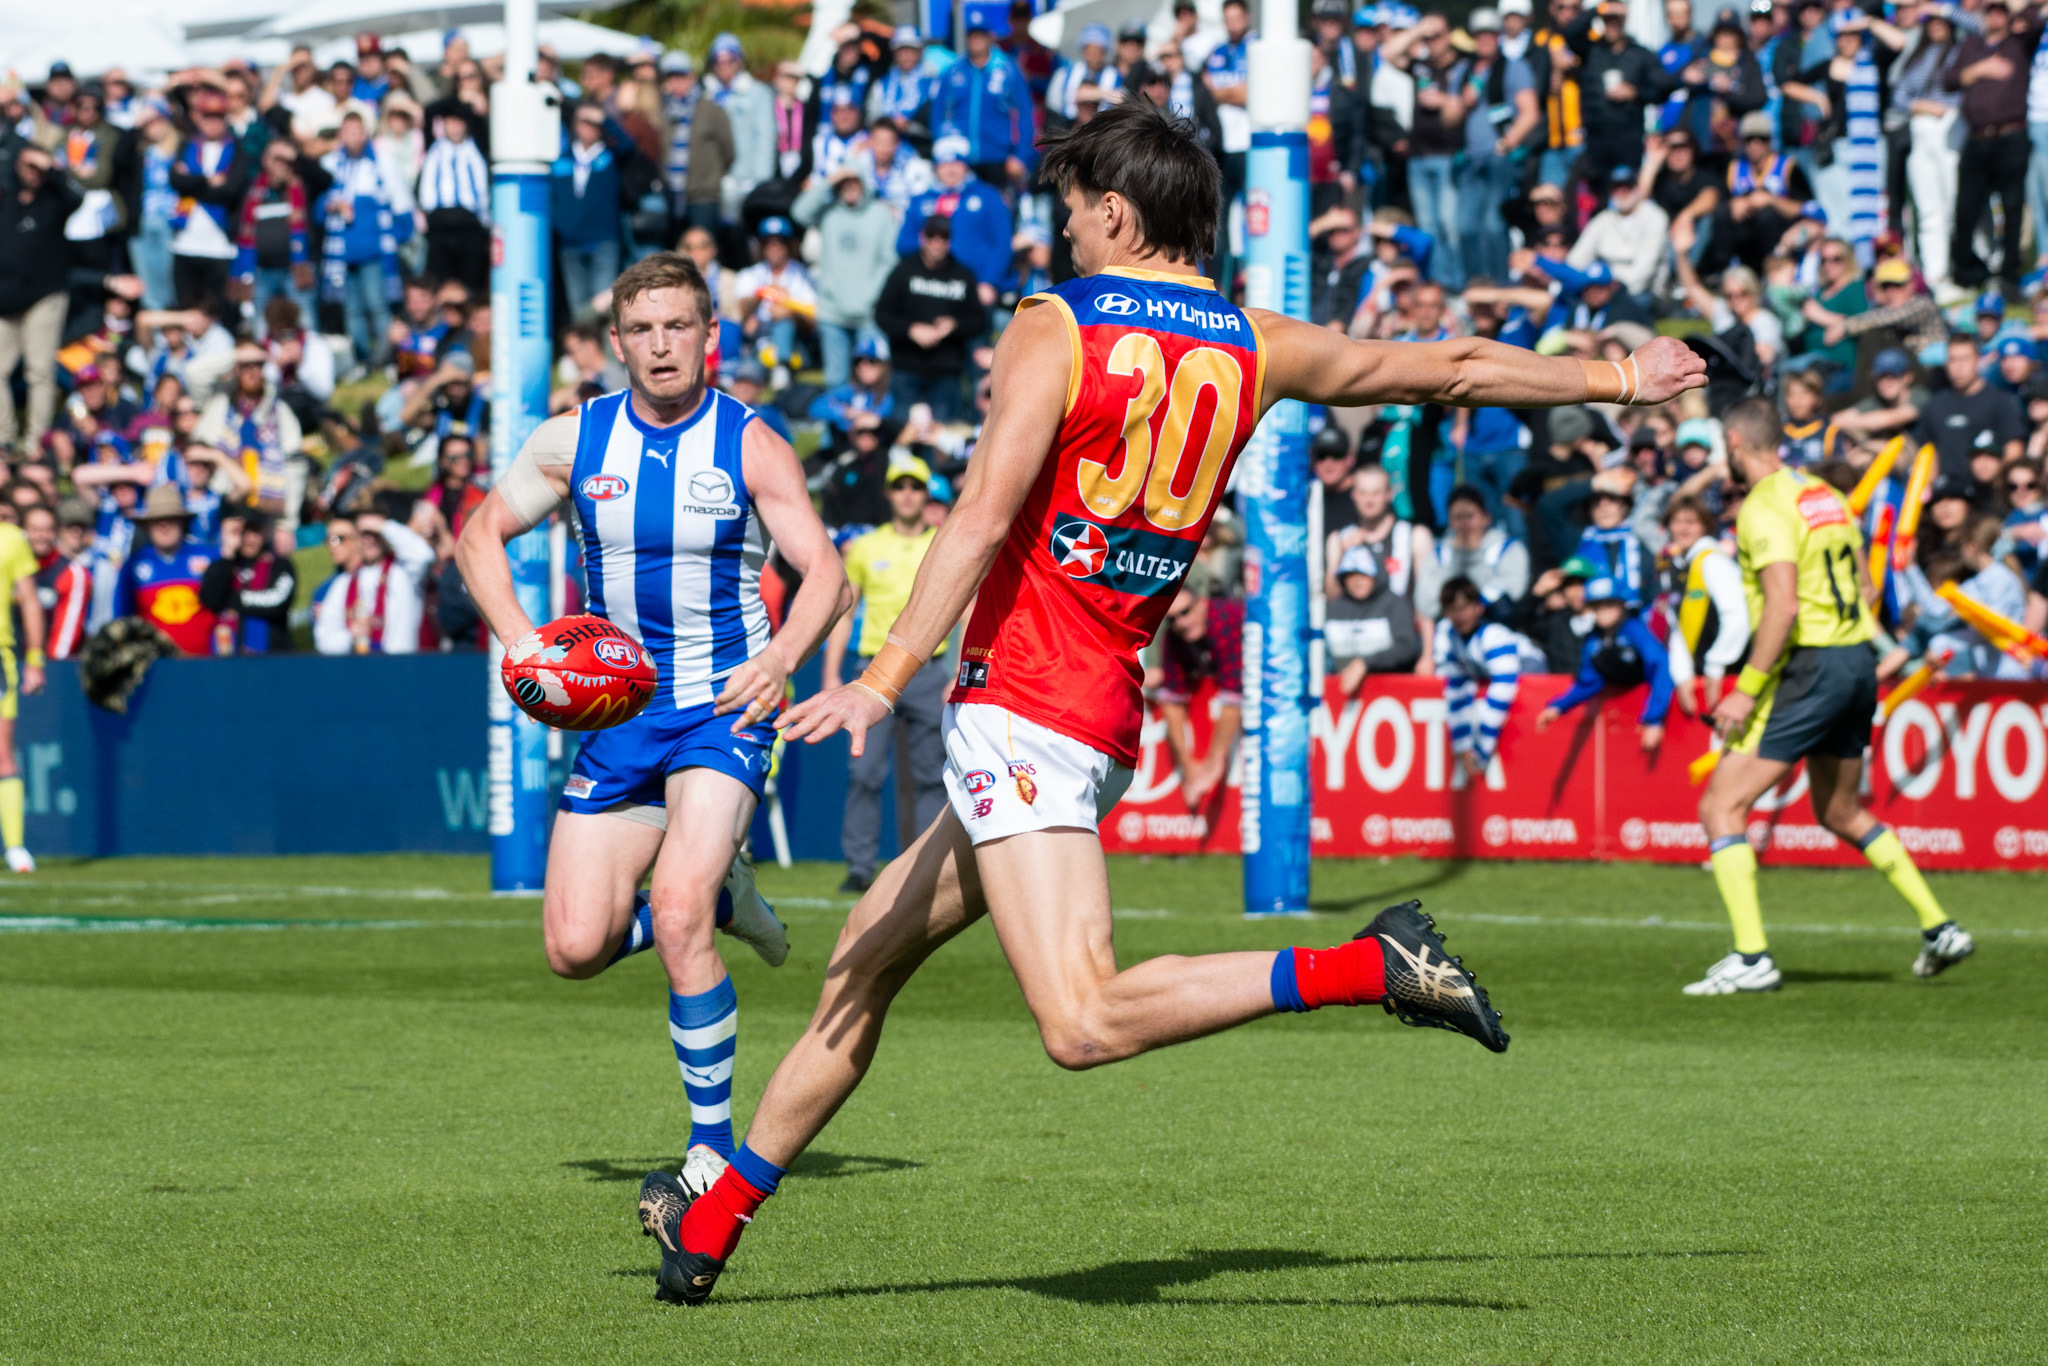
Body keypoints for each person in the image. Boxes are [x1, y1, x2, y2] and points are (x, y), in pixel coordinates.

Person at [650, 99, 1704, 1304]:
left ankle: (1368, 965)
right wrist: (1617, 377)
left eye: (1067, 210)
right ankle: (713, 1215)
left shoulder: (1053, 326)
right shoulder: (1258, 340)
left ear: (1113, 211)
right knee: (863, 956)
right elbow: (1452, 367)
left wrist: (884, 676)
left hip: (1025, 705)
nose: (1058, 233)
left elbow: (981, 515)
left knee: (1080, 1020)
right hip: (1092, 701)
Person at [453, 252, 849, 1208]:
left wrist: (781, 655)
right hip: (622, 715)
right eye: (643, 330)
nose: (662, 345)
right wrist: (525, 649)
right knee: (575, 948)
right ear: (618, 343)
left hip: (725, 707)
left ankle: (710, 1153)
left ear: (710, 335)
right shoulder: (573, 439)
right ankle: (724, 900)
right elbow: (475, 537)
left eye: (680, 326)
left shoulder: (751, 443)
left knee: (670, 907)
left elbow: (828, 574)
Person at [1688, 397, 1975, 996]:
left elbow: (1785, 606)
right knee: (1840, 811)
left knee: (1721, 805)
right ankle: (1938, 926)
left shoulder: (1764, 505)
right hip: (1855, 664)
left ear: (1735, 443)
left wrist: (1745, 690)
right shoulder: (1826, 496)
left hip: (1813, 665)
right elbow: (1868, 588)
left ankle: (1751, 956)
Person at [822, 453, 949, 894]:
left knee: (932, 774)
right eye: (901, 486)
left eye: (916, 486)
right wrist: (831, 671)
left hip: (932, 669)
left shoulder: (945, 544)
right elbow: (844, 611)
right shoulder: (866, 546)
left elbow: (967, 608)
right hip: (873, 669)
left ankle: (926, 869)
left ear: (925, 494)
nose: (909, 494)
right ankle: (860, 866)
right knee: (864, 772)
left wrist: (957, 670)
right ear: (890, 493)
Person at [0, 145, 80, 453]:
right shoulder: (7, 201)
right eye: (27, 165)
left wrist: (53, 168)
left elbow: (77, 195)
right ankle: (4, 438)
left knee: (39, 371)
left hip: (42, 297)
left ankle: (36, 442)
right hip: (5, 302)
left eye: (37, 167)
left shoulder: (55, 202)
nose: (32, 172)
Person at [875, 216, 986, 423]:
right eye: (931, 236)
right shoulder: (904, 271)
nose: (937, 243)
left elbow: (978, 321)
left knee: (942, 442)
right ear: (922, 238)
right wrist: (911, 330)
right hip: (906, 369)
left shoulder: (962, 274)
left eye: (943, 237)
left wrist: (954, 325)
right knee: (902, 435)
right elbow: (882, 315)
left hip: (946, 373)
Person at [1152, 564, 1244, 810]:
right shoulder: (1174, 636)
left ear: (1203, 603)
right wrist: (1188, 765)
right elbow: (1171, 700)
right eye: (1173, 618)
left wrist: (1213, 763)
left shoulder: (1227, 620)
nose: (1181, 622)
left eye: (1186, 612)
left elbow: (1234, 698)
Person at [1434, 574, 1542, 782]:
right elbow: (1456, 691)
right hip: (1510, 698)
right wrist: (1463, 746)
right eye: (1452, 610)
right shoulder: (1451, 638)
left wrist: (1480, 750)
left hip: (1536, 687)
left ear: (1478, 608)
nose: (1459, 616)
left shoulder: (1494, 636)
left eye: (1464, 607)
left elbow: (1502, 691)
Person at [1658, 492, 1749, 709]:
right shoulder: (1673, 567)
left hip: (1731, 675)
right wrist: (1682, 675)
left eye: (1691, 522)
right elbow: (1677, 627)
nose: (1683, 529)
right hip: (1703, 675)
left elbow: (1738, 617)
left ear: (1705, 526)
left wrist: (1715, 665)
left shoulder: (1713, 561)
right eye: (1677, 521)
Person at [112, 483, 218, 657]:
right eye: (157, 520)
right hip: (154, 671)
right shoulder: (133, 565)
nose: (164, 525)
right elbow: (122, 620)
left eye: (171, 518)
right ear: (147, 525)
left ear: (183, 521)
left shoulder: (211, 558)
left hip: (206, 667)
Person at [0, 504, 45, 873]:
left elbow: (29, 600)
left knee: (2, 751)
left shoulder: (11, 539)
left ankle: (15, 847)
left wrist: (35, 657)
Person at [416, 107, 491, 294]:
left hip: (469, 224)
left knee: (471, 284)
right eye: (450, 122)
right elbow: (431, 109)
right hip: (440, 224)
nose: (455, 128)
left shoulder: (476, 146)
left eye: (459, 122)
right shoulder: (434, 147)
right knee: (438, 283)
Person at [199, 509, 295, 653]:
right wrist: (229, 552)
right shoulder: (222, 565)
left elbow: (276, 601)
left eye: (255, 532)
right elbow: (209, 599)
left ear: (265, 533)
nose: (250, 539)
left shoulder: (280, 565)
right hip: (226, 657)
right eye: (243, 532)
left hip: (271, 659)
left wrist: (231, 600)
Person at [30, 498, 93, 662]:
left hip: (49, 669)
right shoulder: (16, 566)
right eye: (34, 529)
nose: (40, 536)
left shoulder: (72, 572)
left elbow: (64, 642)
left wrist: (42, 667)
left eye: (46, 529)